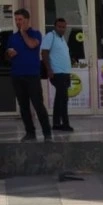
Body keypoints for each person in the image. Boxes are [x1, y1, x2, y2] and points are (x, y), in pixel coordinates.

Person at [5, 8, 52, 142]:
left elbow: (32, 45)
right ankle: (30, 133)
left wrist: (23, 32)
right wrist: (9, 54)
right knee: (23, 106)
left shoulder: (35, 33)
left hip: (32, 75)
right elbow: (6, 56)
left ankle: (47, 133)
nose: (17, 22)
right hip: (17, 75)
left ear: (27, 20)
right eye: (16, 19)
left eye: (20, 19)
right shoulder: (12, 37)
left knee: (38, 105)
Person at [41, 17, 74, 132]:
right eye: (59, 27)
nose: (61, 29)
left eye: (63, 27)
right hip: (57, 72)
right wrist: (49, 69)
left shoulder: (62, 39)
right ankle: (65, 124)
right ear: (55, 27)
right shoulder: (51, 36)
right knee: (63, 99)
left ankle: (56, 123)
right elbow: (44, 52)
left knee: (60, 98)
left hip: (65, 72)